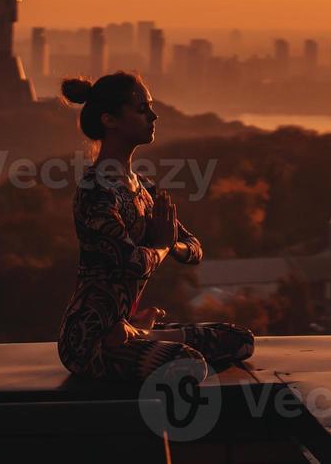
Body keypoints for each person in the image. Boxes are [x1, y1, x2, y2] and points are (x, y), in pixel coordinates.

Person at [56, 71, 253, 382]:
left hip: (125, 325)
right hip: (89, 339)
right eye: (142, 108)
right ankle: (136, 333)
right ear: (110, 120)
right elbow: (131, 262)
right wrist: (162, 245)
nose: (153, 115)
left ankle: (139, 332)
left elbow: (194, 250)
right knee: (188, 363)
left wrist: (171, 243)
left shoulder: (143, 188)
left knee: (239, 340)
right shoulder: (96, 190)